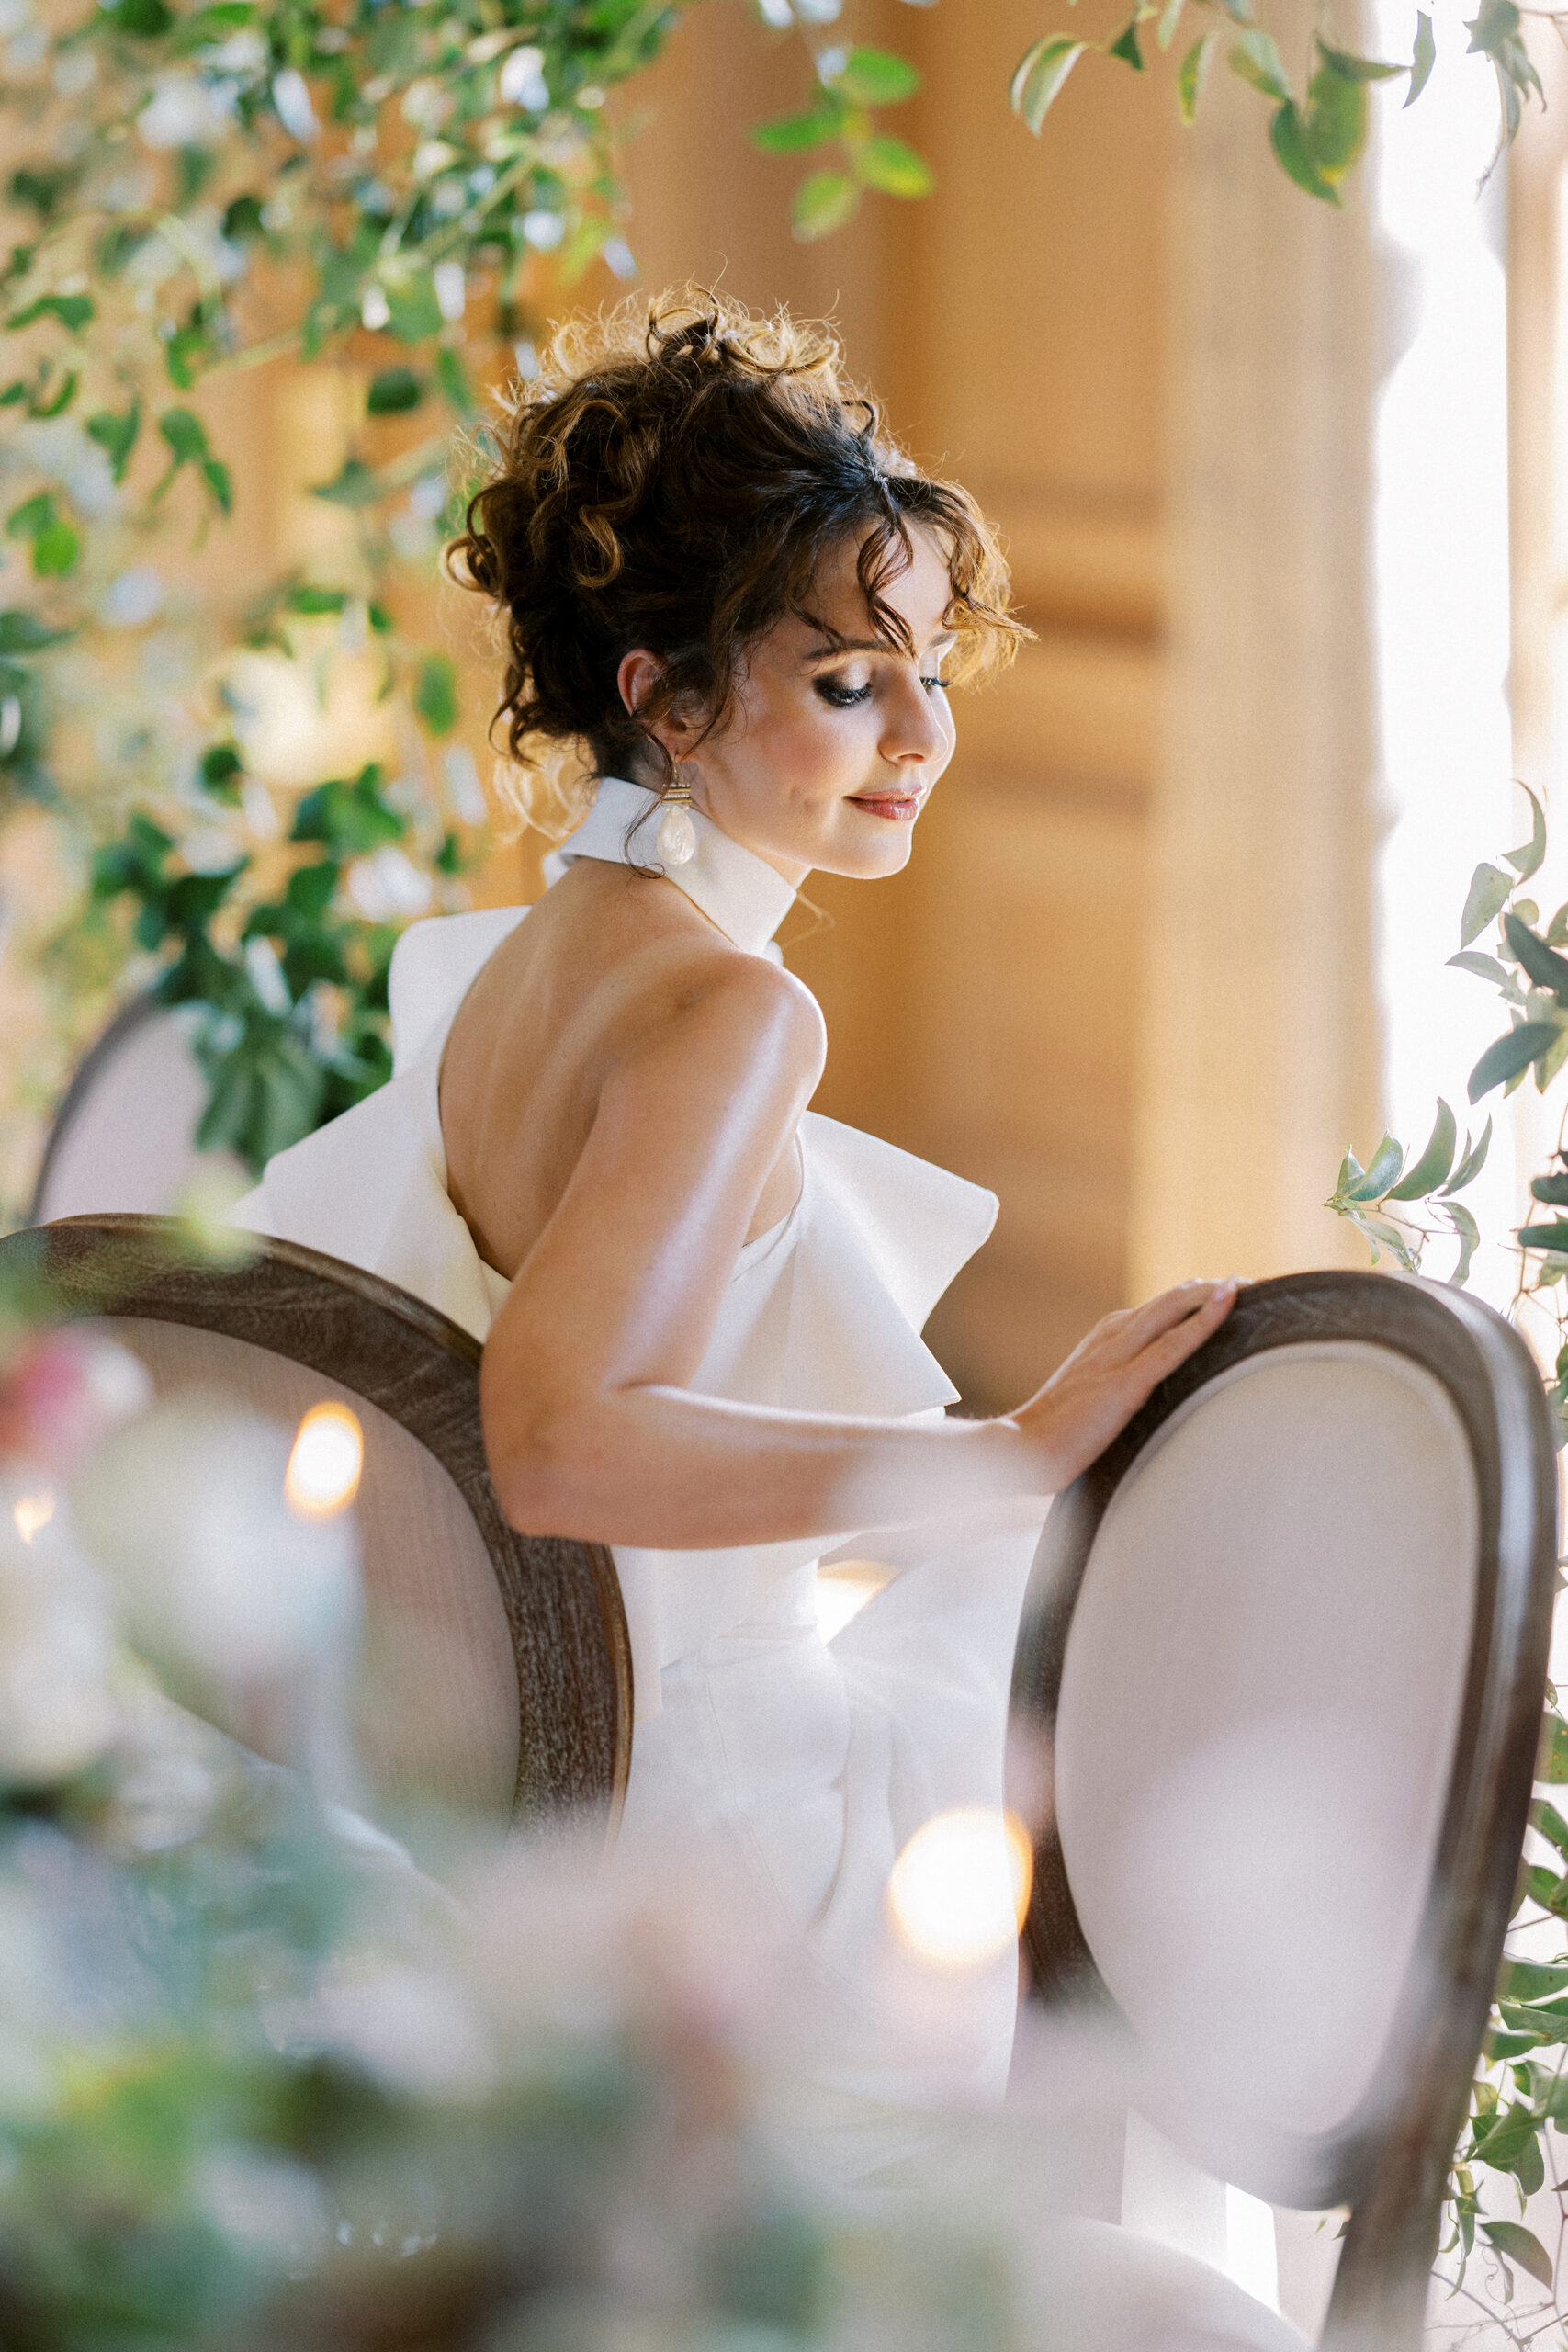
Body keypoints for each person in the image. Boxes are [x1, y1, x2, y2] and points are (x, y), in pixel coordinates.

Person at [235, 292, 1235, 2176]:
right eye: (849, 683)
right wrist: (1003, 1449)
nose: (922, 733)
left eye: (929, 668)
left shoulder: (519, 960)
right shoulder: (726, 1010)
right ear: (666, 697)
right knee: (1153, 1704)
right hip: (714, 1852)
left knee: (1064, 1612)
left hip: (527, 1786)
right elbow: (555, 1442)